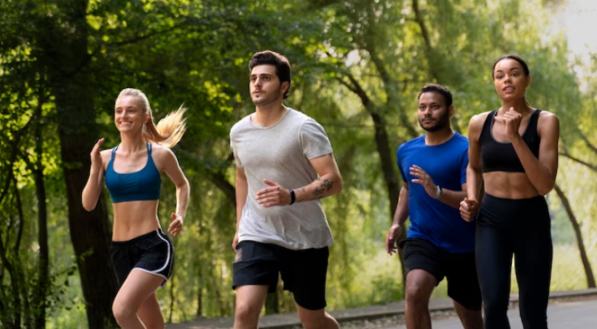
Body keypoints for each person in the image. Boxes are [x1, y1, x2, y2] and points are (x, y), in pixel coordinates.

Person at [229, 50, 343, 329]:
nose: (256, 84)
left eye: (265, 78)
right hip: (257, 232)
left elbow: (333, 179)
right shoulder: (239, 132)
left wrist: (291, 196)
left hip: (305, 236)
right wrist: (239, 226)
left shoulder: (304, 127)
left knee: (313, 319)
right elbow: (242, 177)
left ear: (284, 86)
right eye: (253, 78)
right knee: (244, 310)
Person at [460, 55, 559, 329]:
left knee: (533, 311)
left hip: (532, 221)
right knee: (492, 304)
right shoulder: (479, 123)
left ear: (527, 80)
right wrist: (471, 198)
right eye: (500, 75)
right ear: (494, 83)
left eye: (514, 74)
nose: (507, 79)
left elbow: (544, 184)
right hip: (492, 221)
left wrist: (515, 137)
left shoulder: (545, 122)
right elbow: (474, 167)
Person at [82, 88, 190, 329]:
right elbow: (88, 204)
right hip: (121, 251)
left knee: (121, 310)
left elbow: (182, 184)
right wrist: (94, 168)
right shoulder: (106, 158)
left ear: (145, 116)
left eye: (131, 110)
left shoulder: (161, 155)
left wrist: (180, 213)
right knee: (152, 325)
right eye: (119, 111)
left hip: (153, 246)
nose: (123, 115)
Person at [386, 84, 483, 329]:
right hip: (423, 238)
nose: (427, 112)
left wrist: (437, 192)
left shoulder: (465, 150)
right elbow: (408, 188)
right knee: (415, 291)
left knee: (471, 317)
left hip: (465, 244)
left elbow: (470, 197)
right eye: (422, 107)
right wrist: (398, 222)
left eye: (434, 107)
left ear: (449, 111)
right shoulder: (406, 150)